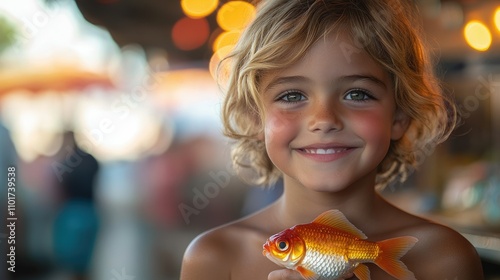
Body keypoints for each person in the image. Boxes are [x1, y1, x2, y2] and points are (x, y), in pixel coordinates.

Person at [180, 0, 484, 279]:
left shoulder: (445, 258)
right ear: (255, 118)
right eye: (292, 95)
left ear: (399, 115)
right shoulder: (213, 259)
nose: (324, 119)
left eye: (357, 94)